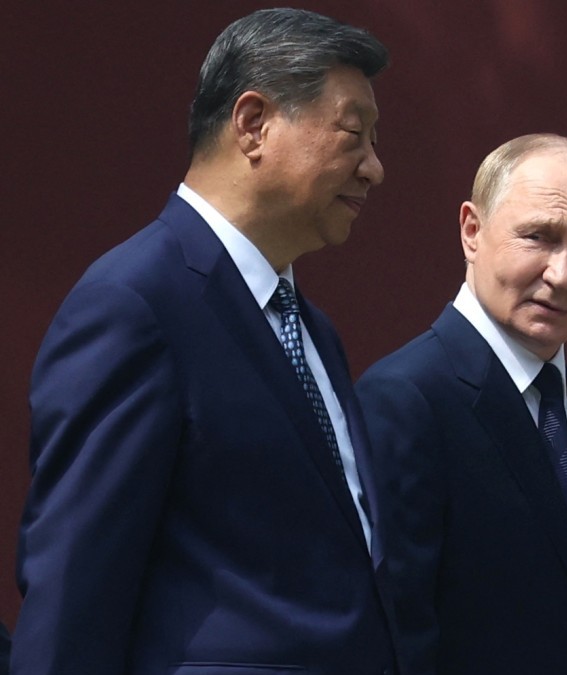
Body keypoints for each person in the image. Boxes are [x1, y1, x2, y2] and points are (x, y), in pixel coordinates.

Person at [14, 9, 397, 674]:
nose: (374, 168)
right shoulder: (136, 304)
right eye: (352, 134)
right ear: (253, 124)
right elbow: (76, 581)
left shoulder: (312, 329)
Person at [356, 133, 567, 675]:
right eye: (538, 237)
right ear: (472, 232)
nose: (561, 274)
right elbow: (393, 634)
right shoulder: (407, 399)